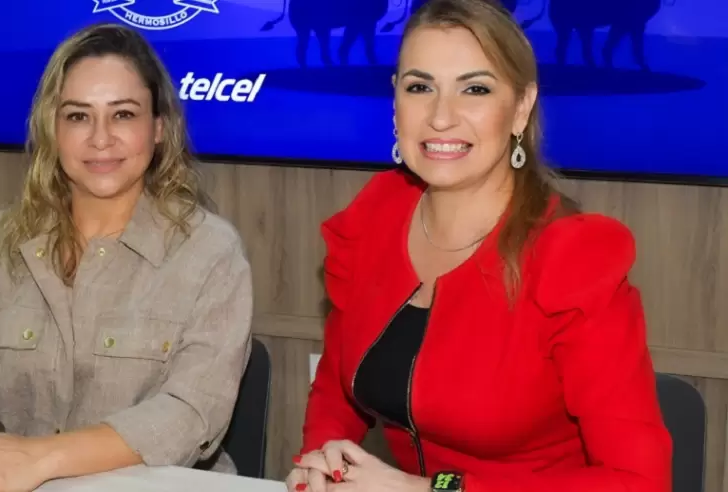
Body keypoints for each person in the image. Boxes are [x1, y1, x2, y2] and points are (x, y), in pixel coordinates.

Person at [287, 0, 672, 491]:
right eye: (420, 87)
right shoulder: (374, 217)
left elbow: (639, 481)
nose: (440, 117)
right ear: (395, 99)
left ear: (521, 108)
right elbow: (338, 388)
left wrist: (430, 489)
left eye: (475, 89)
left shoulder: (573, 257)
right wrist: (323, 463)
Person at [0, 23, 253, 492]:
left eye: (123, 114)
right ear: (53, 128)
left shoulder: (211, 252)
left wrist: (38, 457)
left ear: (159, 128)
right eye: (79, 116)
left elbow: (190, 413)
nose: (100, 138)